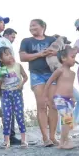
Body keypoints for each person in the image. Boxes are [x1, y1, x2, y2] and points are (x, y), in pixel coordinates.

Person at [19, 19, 58, 147]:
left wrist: (54, 52)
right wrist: (41, 53)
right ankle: (45, 138)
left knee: (53, 105)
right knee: (41, 105)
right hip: (37, 75)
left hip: (52, 73)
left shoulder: (52, 39)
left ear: (43, 26)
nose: (31, 27)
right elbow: (23, 57)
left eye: (34, 25)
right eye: (30, 26)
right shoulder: (26, 41)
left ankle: (53, 136)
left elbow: (61, 52)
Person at [0, 16, 21, 147]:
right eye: (1, 22)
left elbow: (12, 59)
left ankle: (11, 136)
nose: (3, 24)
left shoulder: (5, 41)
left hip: (7, 77)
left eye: (4, 22)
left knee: (10, 105)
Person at [44, 46, 78, 149]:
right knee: (66, 119)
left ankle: (63, 141)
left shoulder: (73, 73)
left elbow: (70, 86)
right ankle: (64, 141)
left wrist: (73, 97)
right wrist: (46, 97)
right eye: (72, 57)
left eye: (75, 57)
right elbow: (49, 82)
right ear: (63, 58)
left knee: (68, 121)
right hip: (59, 98)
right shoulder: (60, 70)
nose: (74, 59)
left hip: (68, 100)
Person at [0, 47, 28, 148]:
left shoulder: (18, 66)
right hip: (5, 94)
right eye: (6, 54)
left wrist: (21, 84)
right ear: (1, 59)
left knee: (19, 115)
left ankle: (24, 139)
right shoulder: (1, 70)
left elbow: (25, 77)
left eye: (10, 53)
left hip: (17, 93)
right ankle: (6, 140)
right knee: (6, 116)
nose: (10, 56)